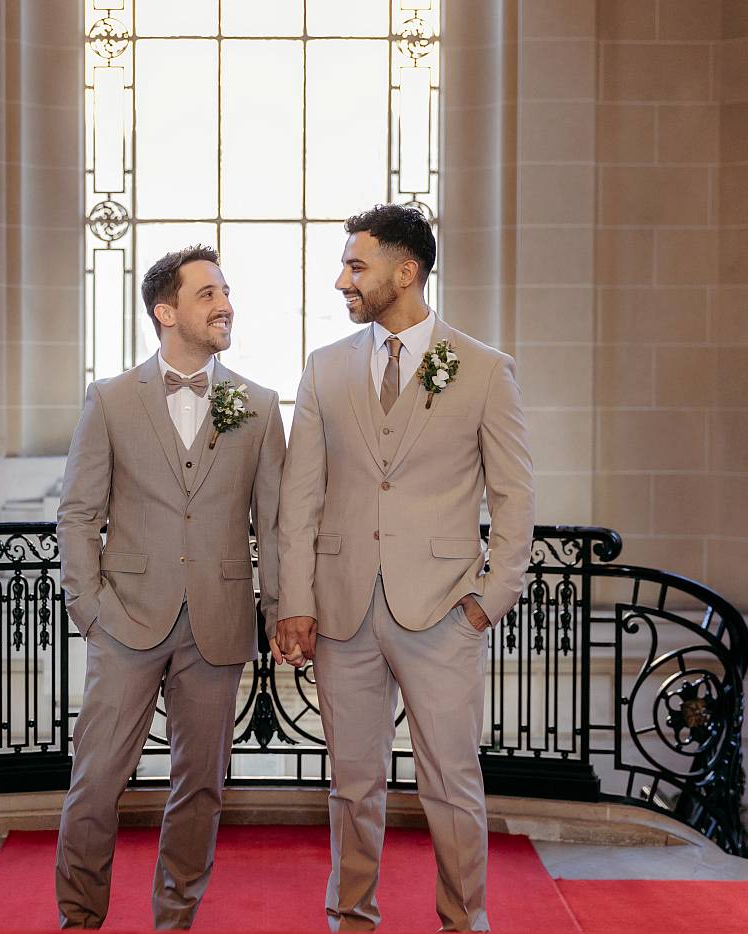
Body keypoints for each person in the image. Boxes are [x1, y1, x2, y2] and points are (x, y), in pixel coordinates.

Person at [274, 204, 534, 931]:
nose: (341, 281)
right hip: (342, 609)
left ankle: (464, 922)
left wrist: (491, 596)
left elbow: (515, 495)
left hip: (445, 609)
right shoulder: (325, 368)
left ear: (405, 270)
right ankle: (350, 918)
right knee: (353, 785)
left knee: (452, 783)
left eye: (355, 266)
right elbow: (300, 498)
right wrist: (296, 597)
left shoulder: (484, 370)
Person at [54, 245, 285, 929]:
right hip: (124, 620)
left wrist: (279, 613)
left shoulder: (259, 405)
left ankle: (174, 920)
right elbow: (77, 514)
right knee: (95, 783)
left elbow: (272, 526)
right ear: (166, 311)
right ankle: (80, 919)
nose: (225, 304)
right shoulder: (110, 401)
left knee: (202, 788)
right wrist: (88, 607)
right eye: (208, 293)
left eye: (227, 291)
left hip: (216, 622)